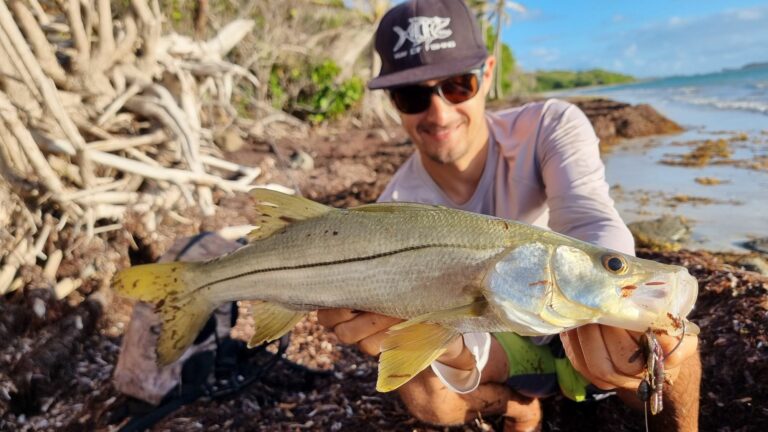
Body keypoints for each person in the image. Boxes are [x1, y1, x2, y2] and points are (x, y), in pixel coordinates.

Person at [318, 0, 701, 430]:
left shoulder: (550, 125)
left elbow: (589, 217)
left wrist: (611, 283)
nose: (440, 112)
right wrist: (445, 349)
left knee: (674, 351)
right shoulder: (394, 211)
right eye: (413, 96)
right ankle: (518, 406)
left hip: (574, 327)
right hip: (497, 344)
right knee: (427, 397)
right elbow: (456, 332)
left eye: (458, 85)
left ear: (487, 72)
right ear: (392, 102)